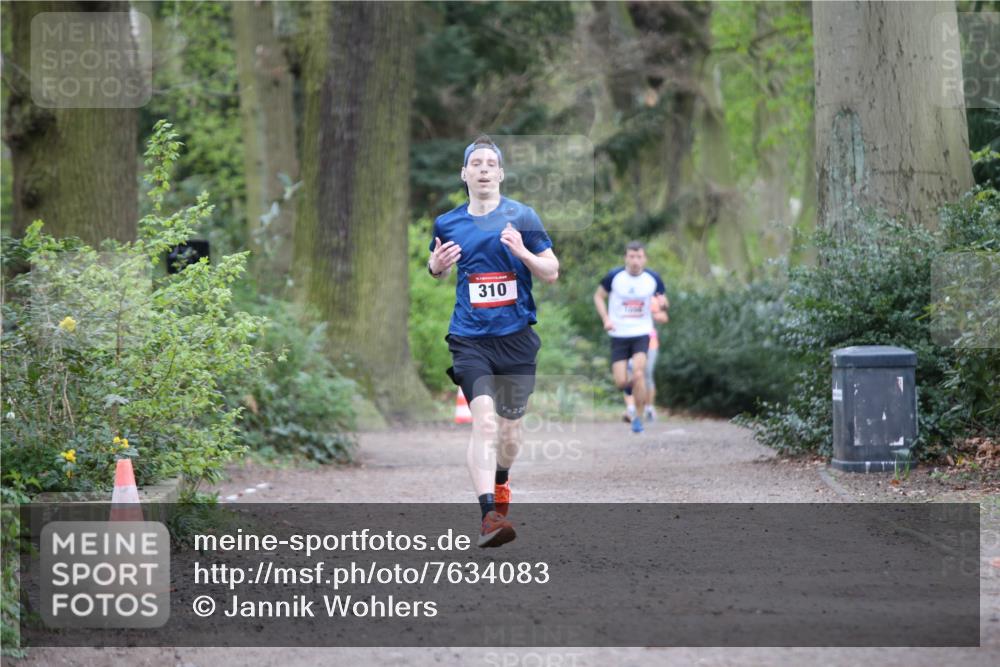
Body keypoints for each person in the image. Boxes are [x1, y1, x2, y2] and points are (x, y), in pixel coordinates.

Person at [427, 135, 559, 548]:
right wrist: (435, 266)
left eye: (490, 164)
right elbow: (438, 268)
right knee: (484, 423)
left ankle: (501, 482)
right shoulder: (447, 223)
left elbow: (551, 271)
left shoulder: (523, 217)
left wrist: (523, 253)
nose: (483, 169)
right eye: (476, 163)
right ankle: (489, 516)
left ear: (500, 173)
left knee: (510, 435)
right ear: (464, 173)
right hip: (470, 339)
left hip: (516, 340)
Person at [594, 241, 668, 434]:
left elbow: (664, 303)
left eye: (639, 257)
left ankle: (638, 418)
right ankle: (630, 395)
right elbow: (598, 297)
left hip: (641, 333)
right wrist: (606, 318)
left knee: (639, 373)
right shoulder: (614, 276)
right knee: (621, 382)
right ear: (626, 258)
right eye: (632, 256)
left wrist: (663, 304)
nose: (635, 261)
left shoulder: (653, 278)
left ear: (645, 259)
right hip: (618, 334)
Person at [621, 301, 665, 422]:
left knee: (647, 374)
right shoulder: (623, 296)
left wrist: (648, 314)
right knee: (630, 374)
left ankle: (649, 408)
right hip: (628, 340)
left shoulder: (652, 297)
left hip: (650, 343)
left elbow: (663, 317)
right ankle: (631, 408)